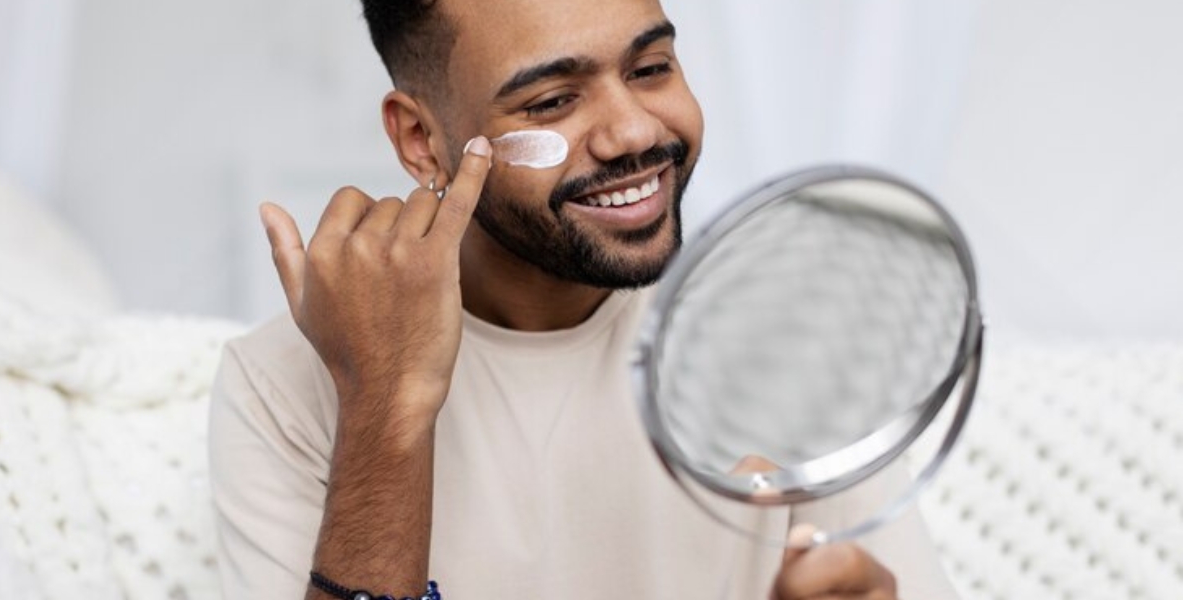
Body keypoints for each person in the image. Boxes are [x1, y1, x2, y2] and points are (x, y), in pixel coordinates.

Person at [208, 0, 961, 598]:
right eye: (553, 101)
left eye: (651, 67)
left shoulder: (786, 333)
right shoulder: (281, 382)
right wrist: (386, 409)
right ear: (420, 140)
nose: (634, 131)